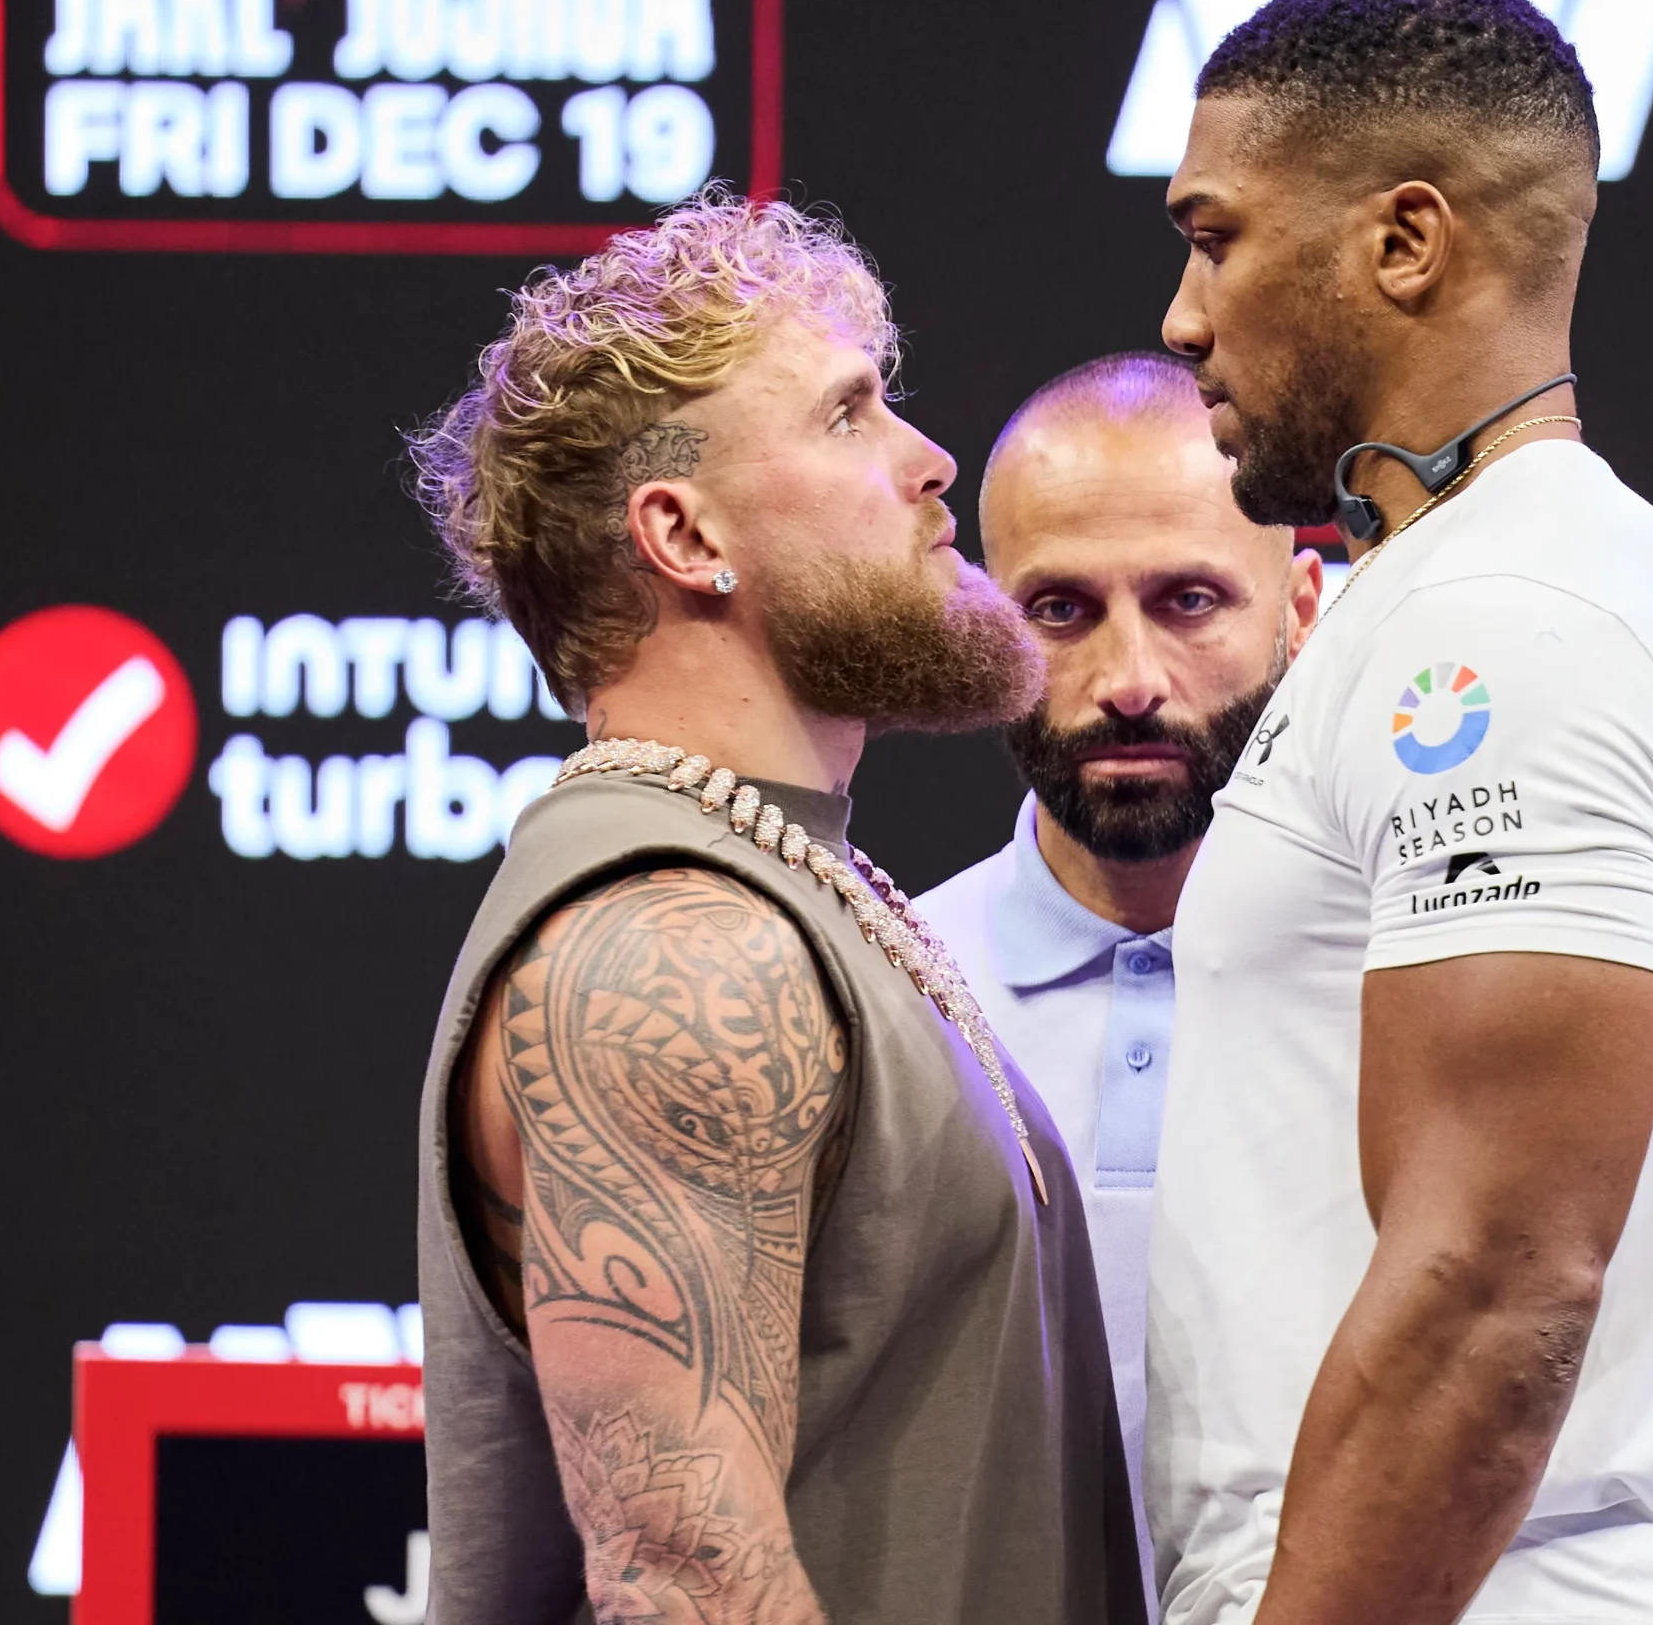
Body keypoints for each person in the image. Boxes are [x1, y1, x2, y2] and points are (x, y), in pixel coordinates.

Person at [1142, 0, 1653, 1625]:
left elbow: (1496, 1284)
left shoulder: (1506, 627)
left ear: (1406, 243)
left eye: (1214, 237)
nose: (1183, 316)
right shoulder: (1453, 597)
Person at [405, 192, 1145, 1625]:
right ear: (684, 535)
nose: (932, 464)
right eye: (850, 416)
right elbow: (686, 1578)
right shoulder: (676, 943)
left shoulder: (801, 889)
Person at [912, 351, 1324, 1609]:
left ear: (1302, 607)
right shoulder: (892, 995)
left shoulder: (1408, 989)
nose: (1129, 677)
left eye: (1191, 599)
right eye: (1059, 610)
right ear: (982, 620)